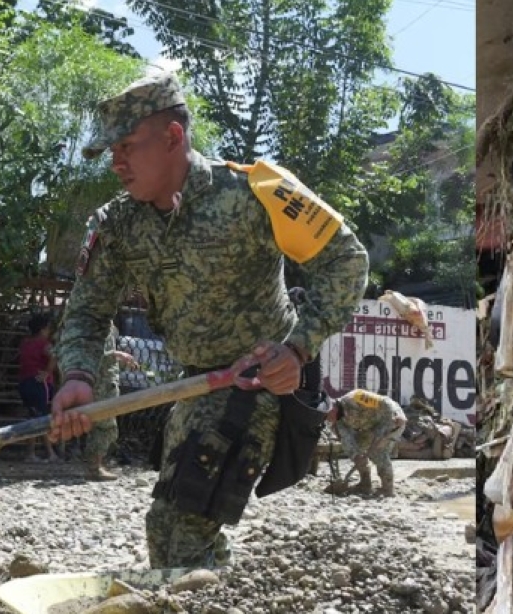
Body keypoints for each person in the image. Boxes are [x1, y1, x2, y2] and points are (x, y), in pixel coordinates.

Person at [48, 73, 369, 569]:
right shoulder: (117, 226)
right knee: (170, 523)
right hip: (194, 384)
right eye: (112, 150)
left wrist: (299, 347)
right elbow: (88, 313)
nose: (117, 163)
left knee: (184, 524)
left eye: (129, 146)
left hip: (261, 378)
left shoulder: (257, 193)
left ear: (173, 137)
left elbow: (346, 258)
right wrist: (78, 376)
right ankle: (216, 608)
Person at [83, 322, 138, 480]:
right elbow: (100, 353)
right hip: (103, 382)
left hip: (105, 380)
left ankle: (95, 464)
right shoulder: (102, 325)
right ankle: (95, 467)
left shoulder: (102, 324)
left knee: (102, 424)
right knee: (105, 426)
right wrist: (119, 354)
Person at [328, 389, 408, 496]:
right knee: (357, 451)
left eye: (328, 414)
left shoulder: (355, 397)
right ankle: (365, 483)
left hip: (391, 421)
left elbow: (384, 402)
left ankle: (387, 488)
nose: (328, 418)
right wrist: (356, 456)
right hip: (369, 430)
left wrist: (397, 414)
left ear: (334, 407)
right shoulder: (338, 424)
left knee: (378, 452)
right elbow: (347, 441)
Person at [17, 311, 60, 463]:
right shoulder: (44, 343)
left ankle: (33, 453)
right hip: (38, 384)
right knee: (41, 419)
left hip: (24, 383)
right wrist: (48, 372)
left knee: (33, 417)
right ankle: (49, 454)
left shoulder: (25, 343)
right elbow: (55, 355)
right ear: (43, 329)